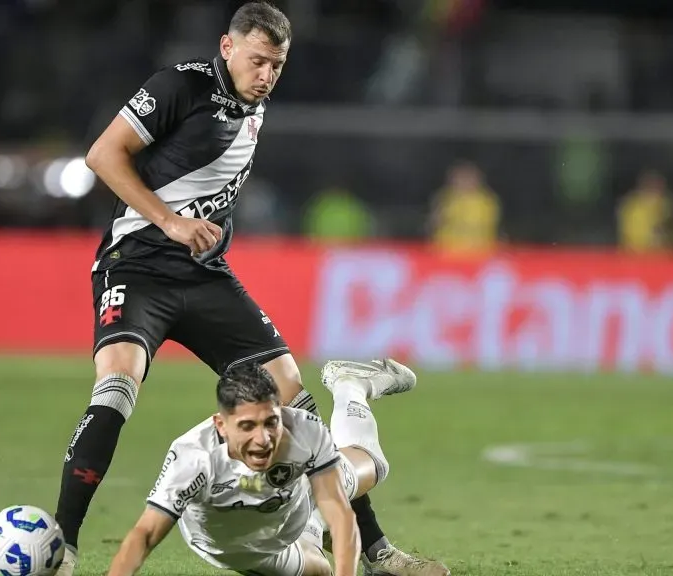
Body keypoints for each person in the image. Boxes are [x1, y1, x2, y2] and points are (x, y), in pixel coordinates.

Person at [56, 3, 405, 575]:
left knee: (290, 391)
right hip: (137, 266)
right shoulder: (180, 86)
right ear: (227, 47)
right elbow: (102, 154)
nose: (266, 74)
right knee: (117, 385)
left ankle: (375, 548)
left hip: (203, 275)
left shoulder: (254, 105)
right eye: (258, 60)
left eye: (277, 65)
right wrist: (171, 222)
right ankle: (64, 546)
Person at [106, 360, 451, 576]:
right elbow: (146, 534)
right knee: (321, 571)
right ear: (221, 425)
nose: (263, 439)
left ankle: (350, 387)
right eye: (247, 427)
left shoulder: (302, 431)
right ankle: (314, 531)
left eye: (271, 422)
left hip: (296, 497)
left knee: (373, 466)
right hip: (244, 548)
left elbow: (342, 515)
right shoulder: (194, 456)